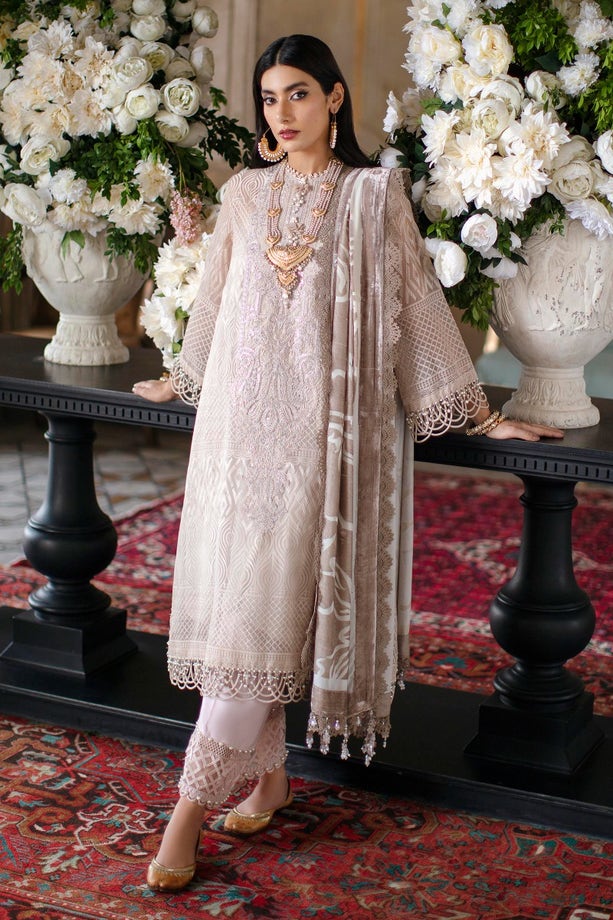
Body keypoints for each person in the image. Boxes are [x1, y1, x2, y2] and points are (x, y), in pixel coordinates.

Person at [133, 34, 563, 892]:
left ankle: (185, 813)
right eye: (269, 98)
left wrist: (482, 414)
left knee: (260, 617)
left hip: (321, 443)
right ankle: (270, 778)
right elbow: (216, 300)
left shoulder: (373, 197)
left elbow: (415, 305)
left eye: (297, 93)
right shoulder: (244, 196)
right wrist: (182, 376)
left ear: (334, 97)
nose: (281, 112)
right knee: (241, 613)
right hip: (237, 441)